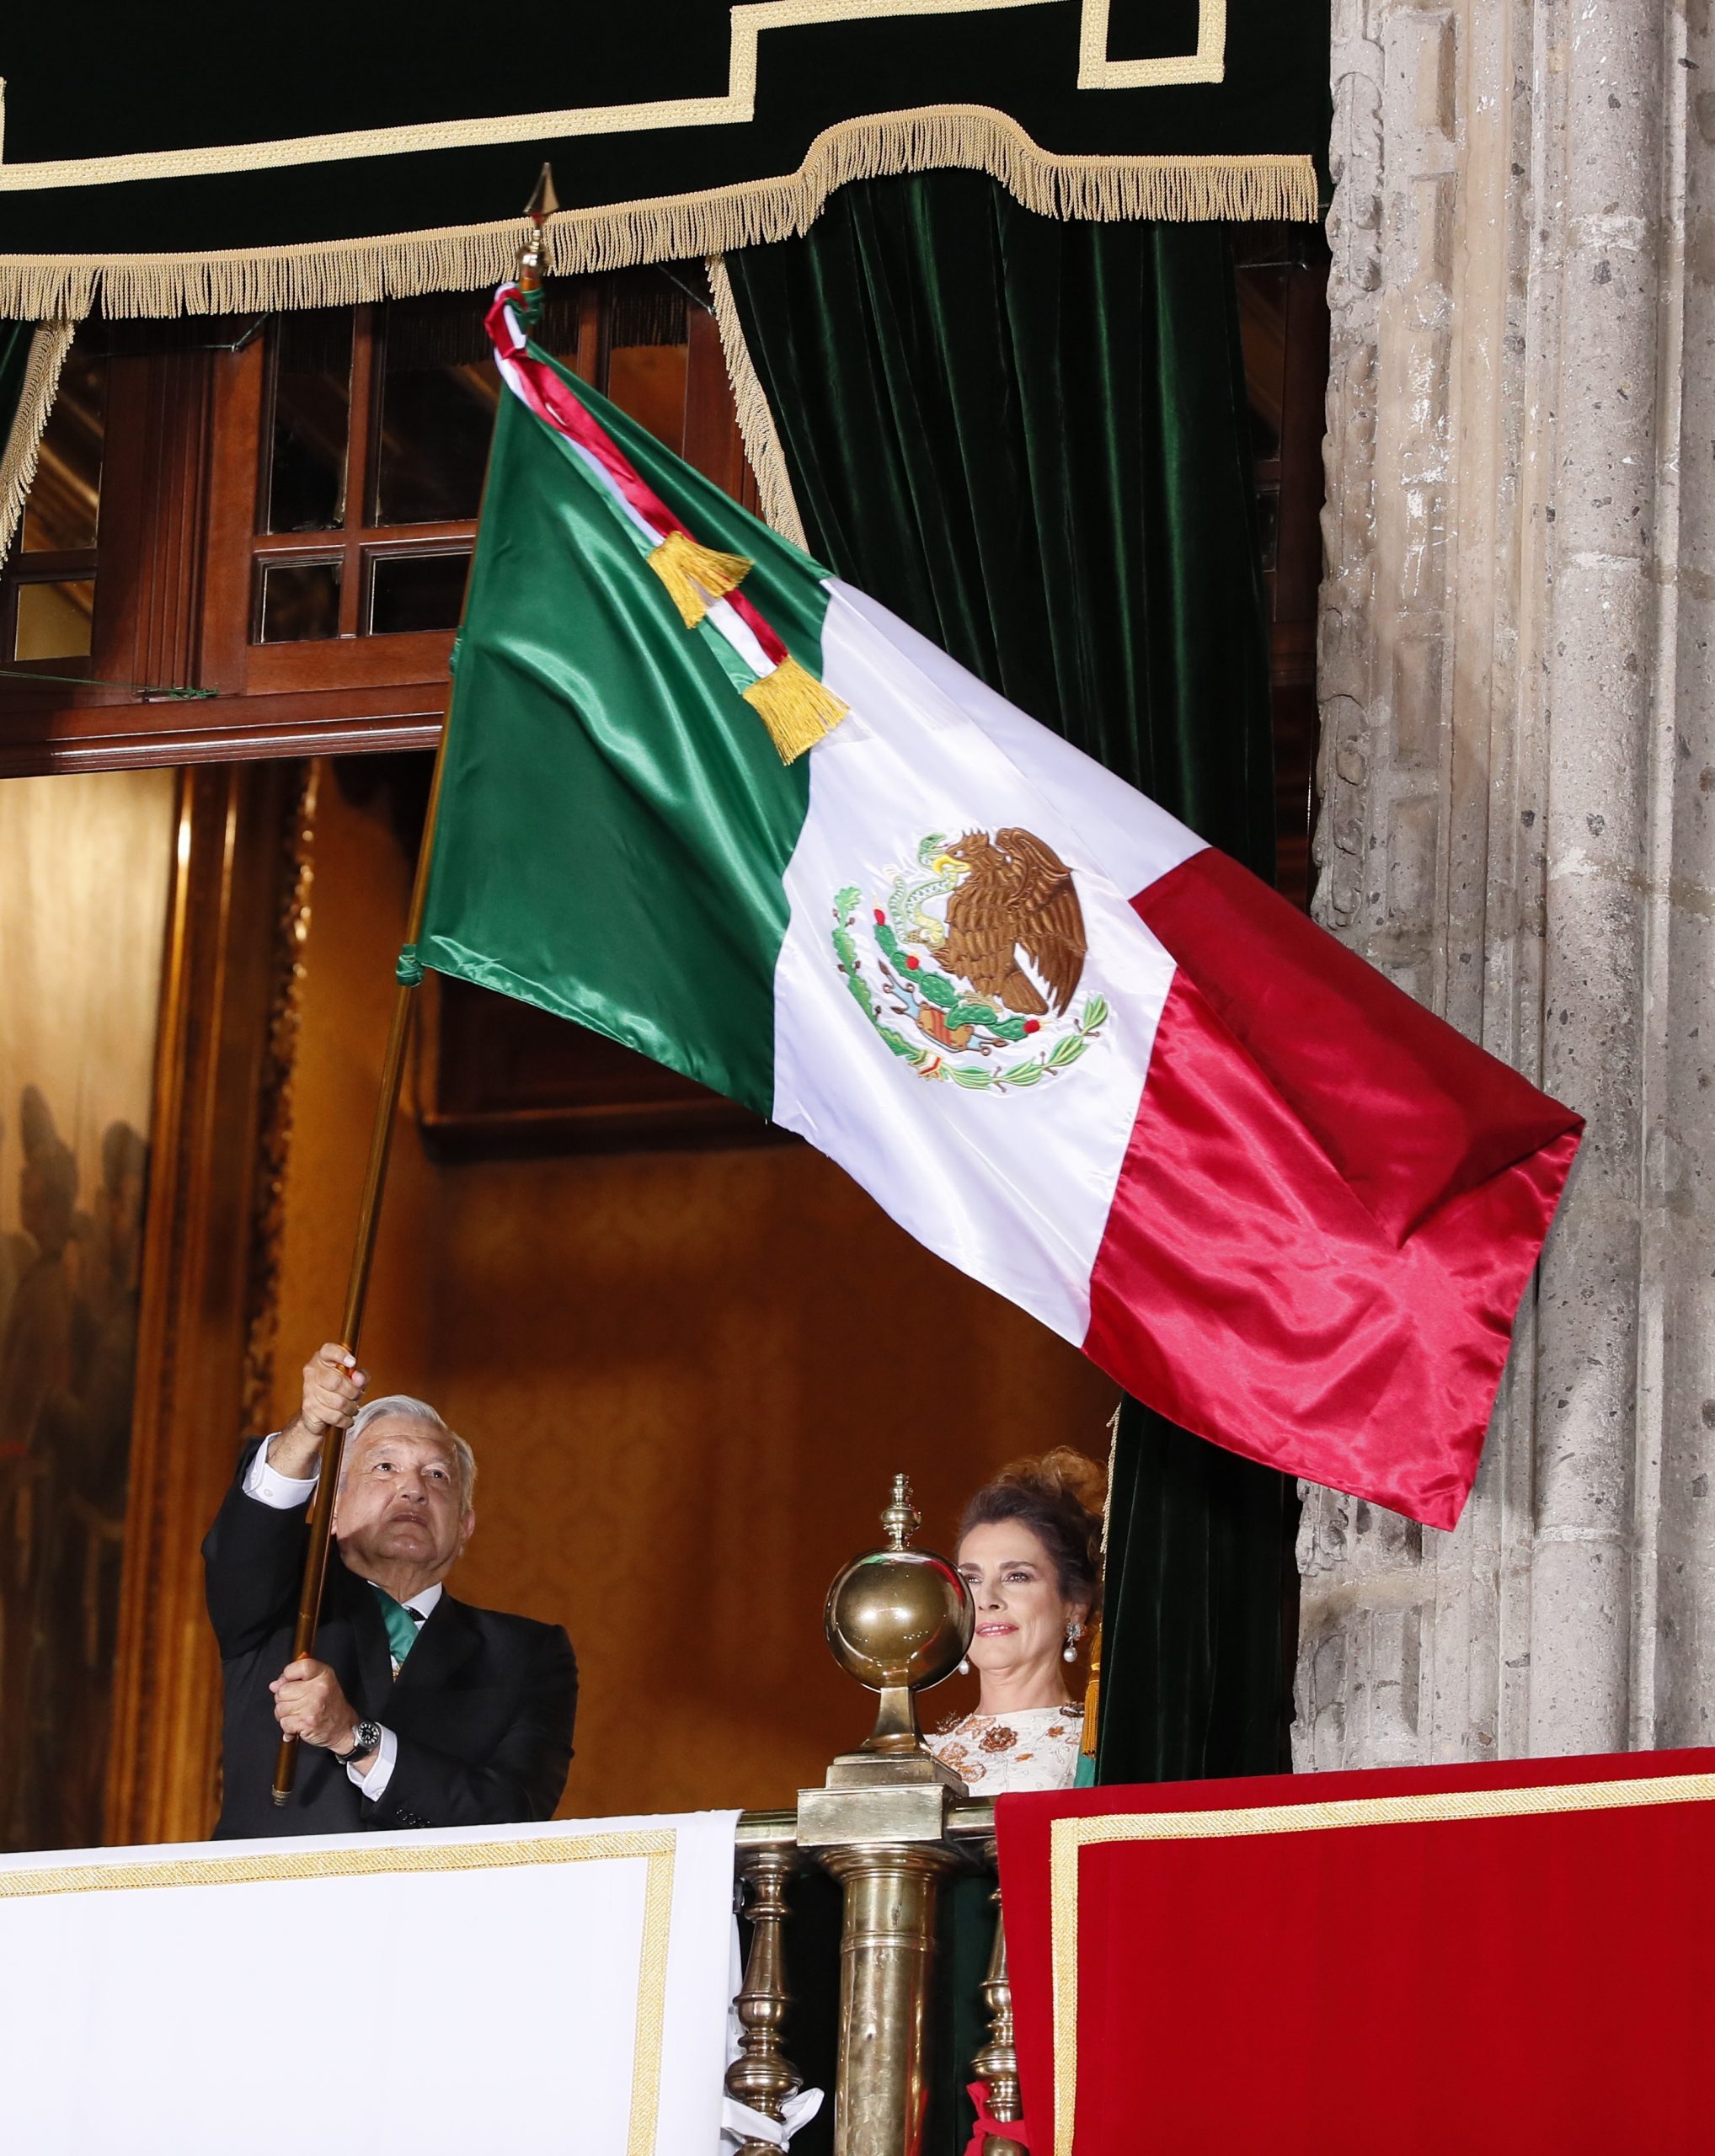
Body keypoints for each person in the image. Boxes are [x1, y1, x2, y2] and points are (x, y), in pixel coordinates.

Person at [202, 1343, 577, 1838]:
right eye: (384, 1467)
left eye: (437, 1475)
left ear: (465, 1525)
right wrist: (311, 1425)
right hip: (272, 1906)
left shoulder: (527, 1653)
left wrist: (356, 1738)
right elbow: (246, 1544)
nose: (414, 1489)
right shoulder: (282, 1596)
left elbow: (514, 1814)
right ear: (332, 1506)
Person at [926, 1447, 1104, 1796]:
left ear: (1075, 1605)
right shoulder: (923, 1756)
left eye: (1017, 1576)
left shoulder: (1100, 1751)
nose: (988, 1599)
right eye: (971, 1579)